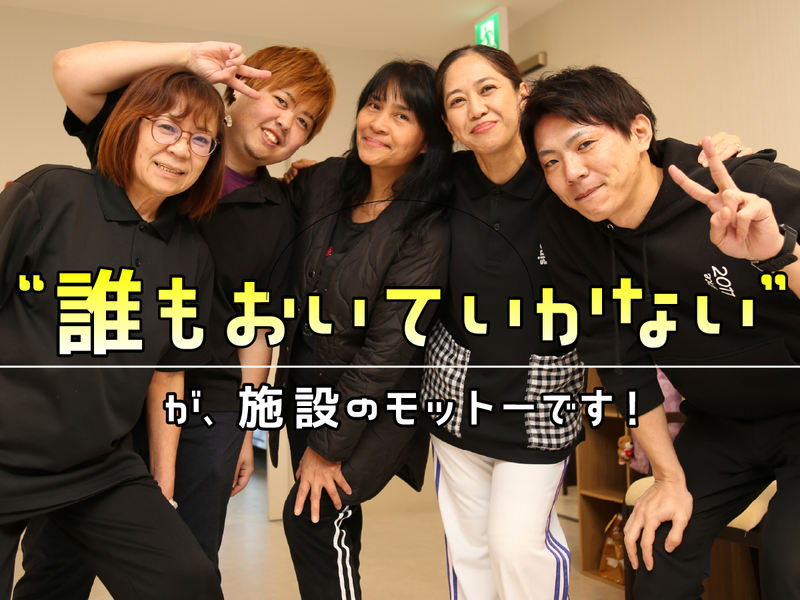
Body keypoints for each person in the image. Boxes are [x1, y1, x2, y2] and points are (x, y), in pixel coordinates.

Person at [421, 45, 750, 600]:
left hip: (541, 397)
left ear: (522, 94)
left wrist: (717, 157)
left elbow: (643, 163)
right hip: (456, 396)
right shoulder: (442, 181)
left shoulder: (573, 183)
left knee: (515, 544)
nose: (475, 108)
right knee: (469, 552)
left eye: (488, 88)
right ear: (448, 122)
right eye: (457, 100)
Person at [12, 40, 335, 597]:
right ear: (238, 91)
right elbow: (70, 69)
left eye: (304, 121)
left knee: (187, 561)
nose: (286, 123)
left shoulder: (280, 213)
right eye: (281, 100)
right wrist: (187, 57)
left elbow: (257, 327)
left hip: (203, 401)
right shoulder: (152, 143)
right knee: (58, 564)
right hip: (96, 394)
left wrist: (246, 430)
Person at [521, 65, 800, 600]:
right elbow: (619, 361)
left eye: (585, 144)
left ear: (640, 132)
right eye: (551, 161)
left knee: (790, 569)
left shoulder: (745, 186)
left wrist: (781, 254)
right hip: (722, 421)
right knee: (653, 550)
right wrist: (669, 480)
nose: (572, 172)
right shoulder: (568, 232)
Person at [0, 66, 226, 600]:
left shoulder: (191, 252)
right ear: (129, 124)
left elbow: (168, 373)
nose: (181, 149)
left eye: (201, 140)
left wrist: (162, 481)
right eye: (167, 127)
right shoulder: (51, 193)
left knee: (188, 583)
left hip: (98, 466)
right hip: (5, 453)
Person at [277, 59, 451, 600]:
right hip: (306, 388)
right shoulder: (326, 181)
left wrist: (328, 446)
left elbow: (388, 350)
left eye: (402, 116)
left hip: (378, 403)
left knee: (313, 517)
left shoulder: (428, 225)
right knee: (325, 525)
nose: (378, 122)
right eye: (374, 105)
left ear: (427, 140)